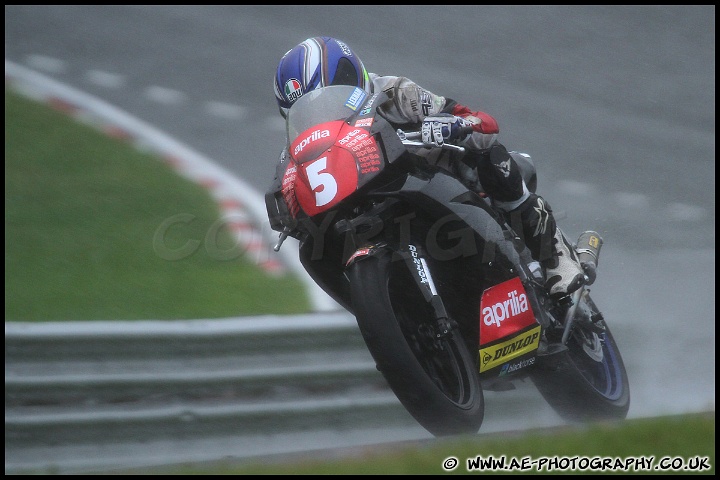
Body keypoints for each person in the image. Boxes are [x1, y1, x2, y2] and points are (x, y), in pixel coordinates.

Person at [273, 36, 585, 298]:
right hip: (375, 208)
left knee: (487, 152)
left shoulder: (394, 94)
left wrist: (451, 124)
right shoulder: (296, 153)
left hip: (443, 179)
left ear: (347, 76)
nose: (320, 112)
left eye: (323, 97)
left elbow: (481, 122)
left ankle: (553, 252)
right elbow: (284, 190)